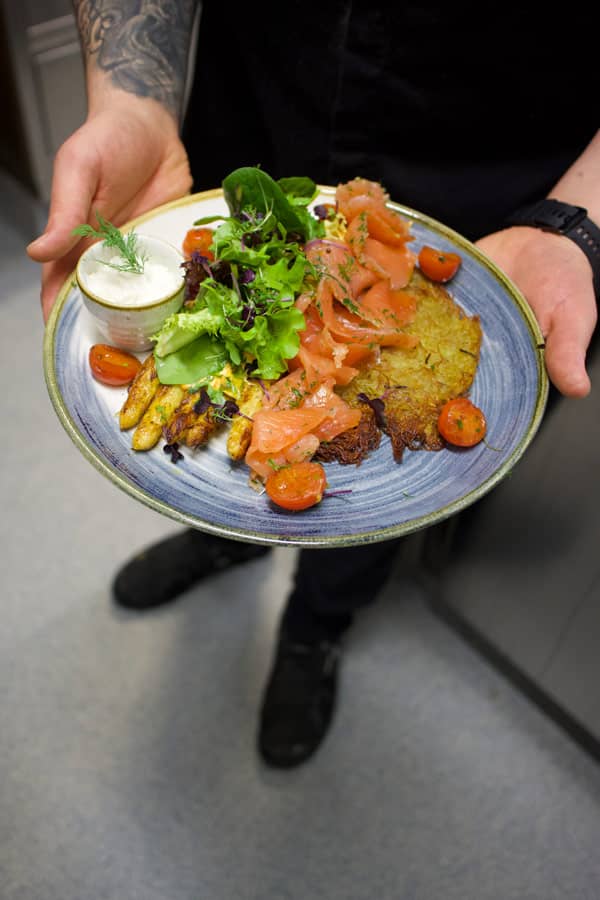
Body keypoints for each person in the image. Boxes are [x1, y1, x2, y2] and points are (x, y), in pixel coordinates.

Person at [28, 2, 599, 768]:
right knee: (226, 422)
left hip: (496, 176)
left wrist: (580, 221)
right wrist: (132, 98)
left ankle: (316, 629)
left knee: (374, 480)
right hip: (254, 121)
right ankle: (224, 540)